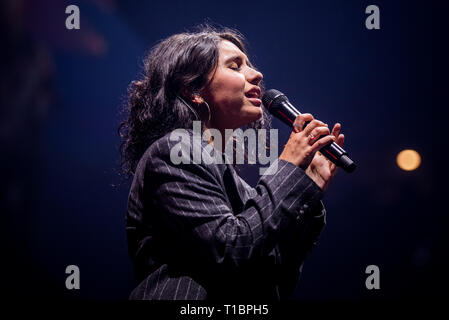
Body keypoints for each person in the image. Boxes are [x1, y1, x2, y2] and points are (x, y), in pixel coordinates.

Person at [119, 26, 345, 300]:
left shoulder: (244, 190)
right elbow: (231, 248)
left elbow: (276, 279)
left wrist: (308, 186)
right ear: (194, 89)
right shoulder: (174, 152)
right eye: (235, 66)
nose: (257, 75)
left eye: (249, 65)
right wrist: (287, 167)